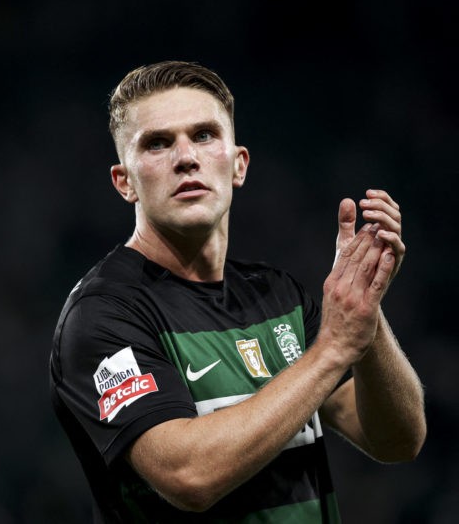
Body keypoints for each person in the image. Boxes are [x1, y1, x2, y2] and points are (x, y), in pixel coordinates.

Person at [48, 61, 426, 522]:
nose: (185, 157)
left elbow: (397, 440)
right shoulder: (103, 314)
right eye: (158, 143)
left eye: (204, 135)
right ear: (125, 181)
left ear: (238, 164)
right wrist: (332, 349)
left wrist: (364, 308)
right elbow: (189, 476)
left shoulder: (277, 295)